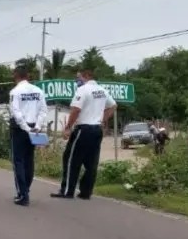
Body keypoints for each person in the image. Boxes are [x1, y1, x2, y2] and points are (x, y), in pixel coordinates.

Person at [51, 69, 116, 200]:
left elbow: (76, 110)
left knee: (70, 159)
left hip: (83, 129)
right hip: (97, 130)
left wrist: (68, 127)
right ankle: (86, 192)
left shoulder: (83, 89)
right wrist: (103, 120)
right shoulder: (102, 90)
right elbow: (113, 105)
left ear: (86, 76)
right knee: (91, 162)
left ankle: (67, 191)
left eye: (78, 77)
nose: (77, 80)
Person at [8, 66, 48, 206]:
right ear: (28, 76)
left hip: (20, 129)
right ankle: (26, 189)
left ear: (16, 75)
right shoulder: (38, 91)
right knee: (29, 159)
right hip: (34, 127)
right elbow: (43, 110)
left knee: (18, 161)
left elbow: (16, 112)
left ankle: (22, 194)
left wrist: (26, 128)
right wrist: (37, 126)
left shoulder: (15, 92)